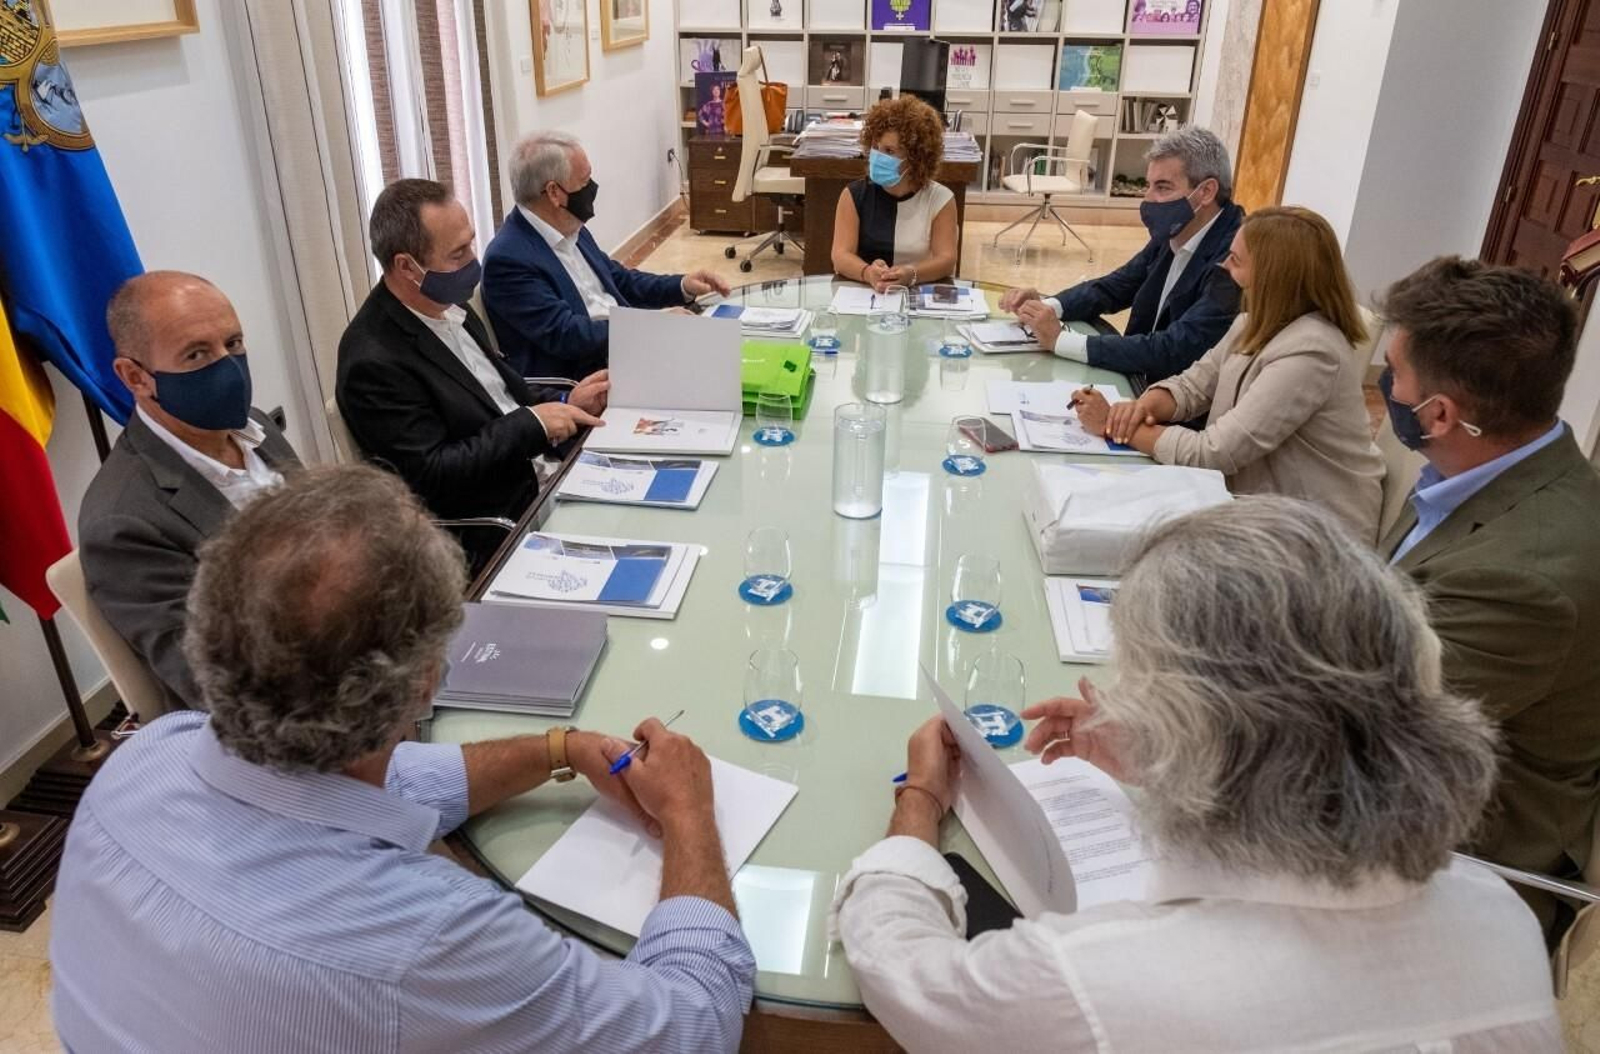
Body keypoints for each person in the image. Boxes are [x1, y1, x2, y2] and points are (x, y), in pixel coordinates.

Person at [51, 465, 756, 1053]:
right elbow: (692, 1026)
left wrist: (558, 751)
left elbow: (386, 780)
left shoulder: (144, 759)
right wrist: (690, 811)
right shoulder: (434, 938)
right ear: (425, 678)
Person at [834, 498, 1560, 1052]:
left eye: (1135, 675)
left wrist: (921, 800)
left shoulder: (1099, 980)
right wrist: (1158, 752)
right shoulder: (1499, 917)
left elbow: (903, 972)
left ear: (1193, 726)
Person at [1378, 256, 1600, 940]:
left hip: (1463, 862)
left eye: (1392, 371)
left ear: (1438, 413)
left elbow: (1369, 730)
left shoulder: (1522, 580)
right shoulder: (1477, 471)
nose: (1381, 384)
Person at [1074, 206, 1384, 543]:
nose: (1222, 268)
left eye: (1235, 260)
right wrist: (1143, 407)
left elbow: (1216, 453)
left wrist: (1114, 426)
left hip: (1316, 537)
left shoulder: (1311, 352)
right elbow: (1192, 387)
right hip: (1259, 509)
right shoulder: (1250, 324)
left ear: (1271, 277)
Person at [79, 271, 301, 714]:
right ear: (136, 378)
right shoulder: (123, 522)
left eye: (234, 343)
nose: (228, 366)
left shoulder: (255, 429)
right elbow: (219, 682)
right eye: (197, 354)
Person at [338, 178, 608, 528]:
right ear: (406, 266)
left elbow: (499, 393)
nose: (473, 262)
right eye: (457, 254)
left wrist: (568, 399)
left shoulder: (449, 304)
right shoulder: (373, 361)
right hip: (506, 517)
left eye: (470, 245)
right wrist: (534, 424)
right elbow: (432, 476)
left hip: (549, 472)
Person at [1001, 126, 1243, 385]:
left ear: (1206, 191)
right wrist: (1045, 308)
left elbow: (1177, 348)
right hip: (1140, 382)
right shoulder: (1180, 228)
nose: (1148, 199)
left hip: (1177, 407)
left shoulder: (1236, 257)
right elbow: (1113, 287)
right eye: (1148, 185)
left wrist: (1061, 340)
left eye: (1163, 187)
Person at [482, 131, 731, 378]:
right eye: (584, 181)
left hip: (627, 349)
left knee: (726, 352)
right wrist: (653, 326)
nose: (591, 189)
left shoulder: (571, 226)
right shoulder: (507, 260)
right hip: (590, 377)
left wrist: (681, 286)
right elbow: (566, 334)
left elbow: (619, 279)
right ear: (554, 193)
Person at [831, 95, 958, 292]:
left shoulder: (940, 199)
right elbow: (840, 255)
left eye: (889, 151)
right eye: (875, 148)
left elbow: (946, 260)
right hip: (865, 294)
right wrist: (867, 272)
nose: (878, 157)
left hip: (917, 293)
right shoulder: (853, 195)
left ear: (916, 158)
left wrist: (911, 274)